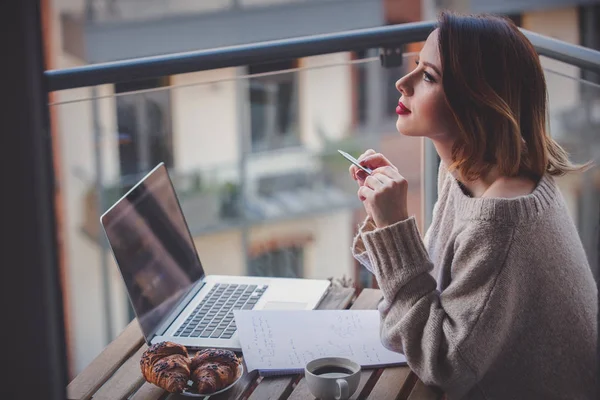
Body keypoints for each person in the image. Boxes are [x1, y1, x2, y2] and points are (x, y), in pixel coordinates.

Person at [349, 12, 597, 400]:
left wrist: (393, 227)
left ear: (478, 100)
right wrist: (385, 219)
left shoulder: (502, 219)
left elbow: (443, 363)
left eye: (428, 76)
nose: (402, 82)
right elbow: (436, 294)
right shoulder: (469, 171)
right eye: (416, 66)